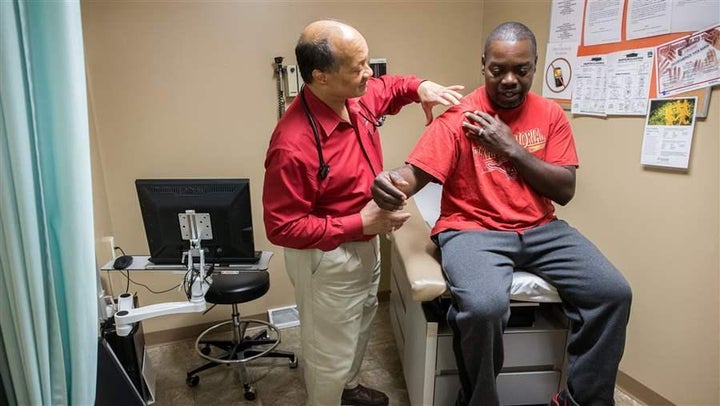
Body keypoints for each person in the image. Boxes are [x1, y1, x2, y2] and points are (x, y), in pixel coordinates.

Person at [371, 21, 632, 406]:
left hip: (542, 230)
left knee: (613, 292)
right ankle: (479, 400)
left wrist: (510, 147)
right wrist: (391, 183)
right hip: (471, 230)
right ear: (483, 66)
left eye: (521, 70)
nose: (509, 79)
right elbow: (414, 175)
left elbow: (565, 189)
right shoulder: (460, 116)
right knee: (483, 307)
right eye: (498, 69)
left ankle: (580, 400)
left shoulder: (550, 115)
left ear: (535, 66)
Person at [262, 19, 464, 406]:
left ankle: (350, 390)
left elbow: (392, 87)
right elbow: (282, 226)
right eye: (358, 67)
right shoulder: (292, 145)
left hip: (365, 243)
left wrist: (422, 87)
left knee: (358, 327)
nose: (369, 74)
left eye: (367, 63)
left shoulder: (356, 97)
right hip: (326, 257)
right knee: (328, 353)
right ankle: (328, 397)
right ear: (320, 76)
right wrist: (361, 222)